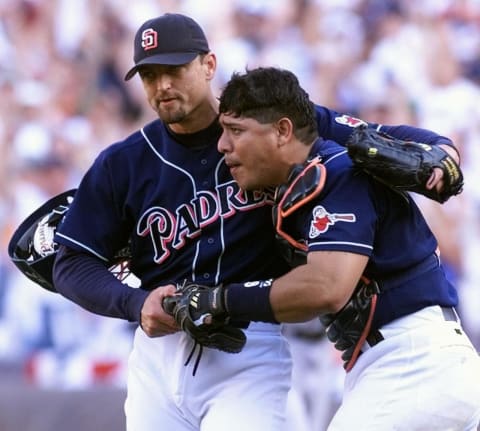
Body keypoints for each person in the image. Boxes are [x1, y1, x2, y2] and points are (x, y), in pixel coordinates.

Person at [49, 13, 464, 431]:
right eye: (149, 75)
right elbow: (70, 263)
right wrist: (135, 304)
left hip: (252, 344)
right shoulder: (123, 164)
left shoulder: (269, 120)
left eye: (173, 70)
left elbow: (392, 140)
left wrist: (444, 155)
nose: (162, 86)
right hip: (160, 351)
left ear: (208, 65)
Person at [186, 66, 479, 430]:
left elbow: (326, 288)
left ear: (282, 131)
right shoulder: (315, 155)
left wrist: (222, 300)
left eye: (236, 131)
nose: (222, 144)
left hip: (412, 364)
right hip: (416, 366)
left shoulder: (338, 172)